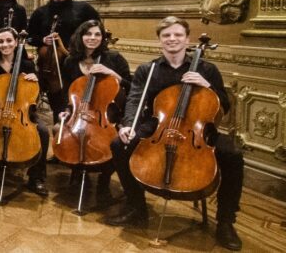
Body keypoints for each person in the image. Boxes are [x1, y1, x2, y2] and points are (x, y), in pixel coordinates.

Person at [104, 17, 243, 251]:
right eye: (166, 35)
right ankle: (136, 206)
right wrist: (128, 124)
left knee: (232, 154)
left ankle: (226, 221)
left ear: (187, 39)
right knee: (120, 144)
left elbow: (224, 104)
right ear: (159, 40)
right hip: (159, 123)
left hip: (197, 128)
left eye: (177, 35)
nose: (172, 39)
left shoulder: (207, 69)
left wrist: (207, 86)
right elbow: (135, 99)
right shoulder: (149, 70)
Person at [54, 20, 130, 208]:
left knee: (113, 141)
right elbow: (68, 93)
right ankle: (77, 172)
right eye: (88, 34)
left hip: (108, 115)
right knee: (59, 130)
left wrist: (112, 73)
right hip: (78, 112)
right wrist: (65, 111)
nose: (92, 38)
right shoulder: (71, 61)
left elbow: (132, 86)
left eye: (97, 34)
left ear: (103, 38)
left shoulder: (114, 59)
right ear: (81, 36)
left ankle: (103, 184)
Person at [0, 27, 51, 196]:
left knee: (43, 132)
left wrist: (35, 80)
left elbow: (38, 94)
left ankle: (36, 177)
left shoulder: (27, 64)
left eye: (9, 41)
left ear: (16, 42)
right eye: (1, 41)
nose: (5, 45)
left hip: (23, 113)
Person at [27, 0, 101, 121]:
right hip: (51, 69)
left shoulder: (84, 9)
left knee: (80, 104)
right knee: (59, 109)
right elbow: (30, 38)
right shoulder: (40, 13)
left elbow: (97, 31)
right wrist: (42, 40)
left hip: (78, 65)